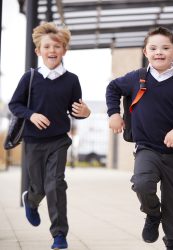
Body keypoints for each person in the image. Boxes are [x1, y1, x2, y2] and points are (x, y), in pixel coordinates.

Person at [106, 27, 173, 250]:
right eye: (153, 48)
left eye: (165, 48)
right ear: (145, 51)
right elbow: (113, 88)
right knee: (142, 184)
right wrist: (114, 113)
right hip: (146, 148)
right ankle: (151, 214)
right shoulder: (136, 78)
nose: (159, 52)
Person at [9, 22, 91, 250]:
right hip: (34, 141)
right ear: (38, 51)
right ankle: (31, 200)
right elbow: (14, 104)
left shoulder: (72, 79)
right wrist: (31, 115)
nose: (52, 50)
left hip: (59, 141)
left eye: (57, 46)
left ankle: (59, 235)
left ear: (64, 50)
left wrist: (85, 113)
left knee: (55, 184)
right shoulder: (30, 78)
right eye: (47, 47)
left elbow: (77, 109)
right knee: (40, 187)